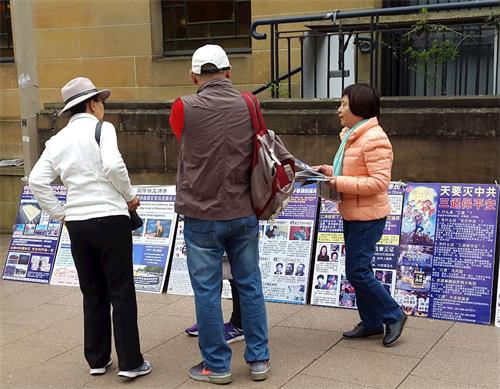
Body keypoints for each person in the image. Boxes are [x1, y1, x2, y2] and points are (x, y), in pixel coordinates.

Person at [28, 77, 151, 377]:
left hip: (78, 224)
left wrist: (62, 214)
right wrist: (130, 196)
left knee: (92, 290)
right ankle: (131, 363)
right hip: (110, 218)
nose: (103, 108)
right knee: (121, 291)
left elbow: (36, 181)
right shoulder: (102, 129)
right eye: (101, 102)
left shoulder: (57, 141)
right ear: (92, 104)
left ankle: (97, 360)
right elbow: (112, 165)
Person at [169, 44, 270, 384]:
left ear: (193, 75)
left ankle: (217, 365)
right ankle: (258, 361)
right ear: (229, 72)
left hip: (201, 215)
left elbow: (184, 135)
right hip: (243, 211)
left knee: (208, 291)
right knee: (250, 285)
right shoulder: (249, 103)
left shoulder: (184, 106)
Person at [315, 83, 406, 347]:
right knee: (359, 269)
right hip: (355, 213)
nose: (339, 110)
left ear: (359, 107)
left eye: (343, 104)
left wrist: (338, 182)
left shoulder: (374, 139)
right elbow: (353, 171)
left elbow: (379, 182)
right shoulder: (352, 135)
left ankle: (393, 314)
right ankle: (371, 322)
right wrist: (326, 172)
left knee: (357, 271)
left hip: (368, 216)